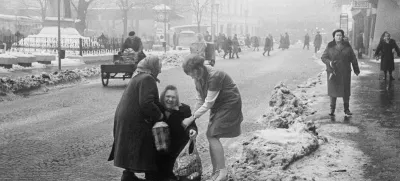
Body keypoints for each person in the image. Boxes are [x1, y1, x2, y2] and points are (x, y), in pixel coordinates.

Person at [182, 54, 243, 181]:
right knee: (211, 135)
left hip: (229, 104)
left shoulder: (215, 76)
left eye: (192, 73)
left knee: (212, 135)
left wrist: (192, 118)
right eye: (190, 75)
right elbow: (200, 100)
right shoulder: (198, 78)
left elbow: (208, 103)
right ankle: (216, 171)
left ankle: (222, 172)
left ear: (199, 68)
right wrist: (192, 116)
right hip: (218, 105)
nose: (192, 77)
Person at [108, 56, 164, 181]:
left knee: (132, 148)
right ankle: (151, 176)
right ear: (152, 67)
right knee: (146, 147)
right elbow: (146, 103)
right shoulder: (147, 79)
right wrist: (160, 116)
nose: (160, 71)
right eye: (159, 68)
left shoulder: (139, 77)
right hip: (134, 121)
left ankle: (128, 176)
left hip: (128, 119)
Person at [157, 85, 198, 181]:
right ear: (163, 97)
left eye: (173, 97)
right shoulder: (157, 108)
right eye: (168, 96)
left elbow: (192, 125)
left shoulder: (184, 109)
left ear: (177, 98)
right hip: (159, 153)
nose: (170, 99)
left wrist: (192, 131)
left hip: (178, 153)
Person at [321, 29, 360, 117]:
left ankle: (346, 109)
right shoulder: (330, 46)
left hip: (345, 72)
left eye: (340, 35)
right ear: (334, 37)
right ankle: (332, 109)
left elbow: (353, 58)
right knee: (333, 91)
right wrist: (329, 62)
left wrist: (356, 69)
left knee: (345, 91)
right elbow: (323, 57)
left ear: (342, 37)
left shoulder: (347, 46)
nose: (338, 37)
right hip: (333, 72)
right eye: (337, 35)